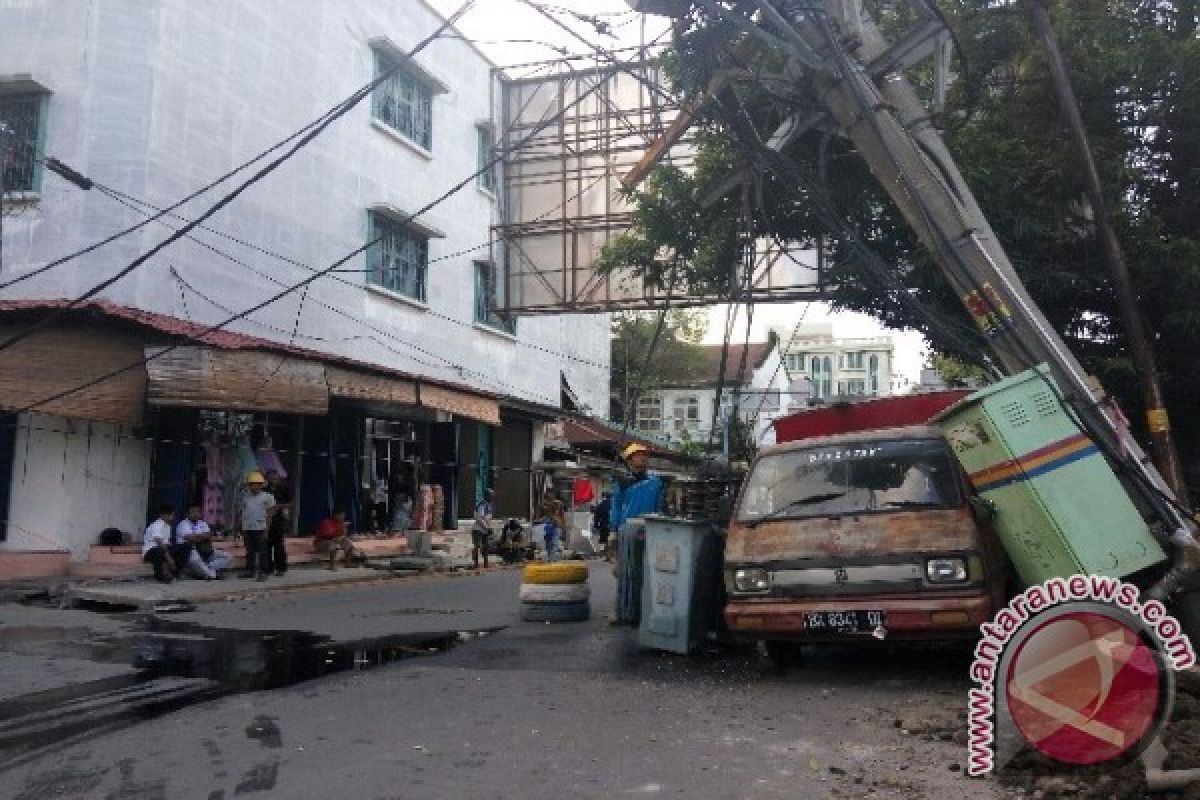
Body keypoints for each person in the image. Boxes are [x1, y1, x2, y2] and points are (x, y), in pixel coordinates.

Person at [610, 443, 664, 533]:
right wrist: (613, 529)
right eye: (638, 455)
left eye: (645, 455)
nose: (643, 458)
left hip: (650, 527)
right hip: (628, 527)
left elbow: (659, 506)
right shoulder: (622, 482)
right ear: (629, 461)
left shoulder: (656, 482)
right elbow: (616, 507)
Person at [236, 470, 276, 581]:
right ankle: (250, 571)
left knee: (263, 552)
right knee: (249, 551)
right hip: (247, 527)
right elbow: (241, 512)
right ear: (249, 485)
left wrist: (266, 530)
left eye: (257, 484)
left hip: (260, 528)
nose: (255, 486)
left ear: (261, 485)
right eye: (252, 484)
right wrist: (239, 527)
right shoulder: (245, 496)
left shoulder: (268, 497)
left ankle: (263, 572)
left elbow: (270, 515)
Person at [173, 505, 229, 579]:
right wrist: (203, 536)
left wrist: (198, 536)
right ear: (187, 514)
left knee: (227, 556)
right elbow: (192, 538)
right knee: (195, 560)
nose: (196, 514)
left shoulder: (203, 523)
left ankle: (204, 570)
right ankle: (213, 575)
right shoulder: (183, 524)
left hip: (204, 549)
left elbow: (209, 535)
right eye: (193, 512)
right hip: (189, 551)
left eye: (198, 512)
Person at [142, 505, 177, 584]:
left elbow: (166, 543)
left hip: (161, 550)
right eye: (168, 515)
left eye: (172, 515)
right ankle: (160, 576)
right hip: (150, 552)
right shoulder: (157, 525)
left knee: (182, 547)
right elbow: (159, 541)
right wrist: (168, 557)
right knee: (160, 550)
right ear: (162, 515)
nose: (171, 517)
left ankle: (175, 572)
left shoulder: (168, 526)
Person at [538, 488, 566, 563]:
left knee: (554, 543)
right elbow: (542, 515)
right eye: (548, 493)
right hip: (547, 526)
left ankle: (552, 559)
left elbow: (562, 515)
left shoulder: (558, 503)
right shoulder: (544, 504)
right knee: (548, 544)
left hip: (556, 526)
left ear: (554, 495)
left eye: (551, 493)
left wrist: (563, 526)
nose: (549, 495)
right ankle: (552, 558)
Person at [264, 501, 291, 577]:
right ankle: (269, 568)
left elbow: (290, 503)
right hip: (265, 522)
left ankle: (281, 568)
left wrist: (278, 506)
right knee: (266, 547)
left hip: (278, 523)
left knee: (278, 547)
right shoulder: (266, 492)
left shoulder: (283, 491)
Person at [471, 489, 495, 569]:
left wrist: (489, 527)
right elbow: (479, 518)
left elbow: (488, 518)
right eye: (491, 495)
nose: (492, 497)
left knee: (486, 547)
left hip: (485, 530)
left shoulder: (489, 504)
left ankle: (486, 564)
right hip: (478, 529)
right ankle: (476, 564)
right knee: (477, 546)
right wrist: (487, 527)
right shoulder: (482, 504)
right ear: (486, 495)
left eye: (492, 495)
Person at [593, 491, 613, 561]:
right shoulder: (616, 503)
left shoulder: (602, 504)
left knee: (605, 540)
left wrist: (596, 525)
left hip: (604, 524)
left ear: (605, 497)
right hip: (614, 524)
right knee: (612, 540)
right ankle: (609, 556)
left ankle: (607, 556)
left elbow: (597, 515)